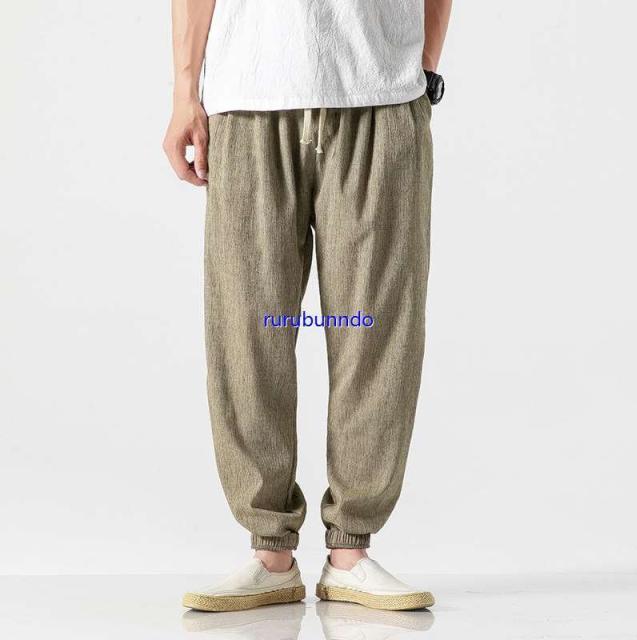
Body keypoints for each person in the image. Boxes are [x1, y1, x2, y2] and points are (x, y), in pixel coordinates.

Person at [164, 0, 452, 613]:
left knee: (377, 328)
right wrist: (185, 92)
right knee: (247, 328)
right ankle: (270, 552)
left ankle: (351, 552)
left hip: (380, 93)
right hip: (248, 94)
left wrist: (424, 66)